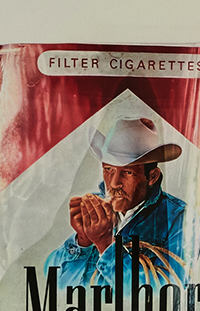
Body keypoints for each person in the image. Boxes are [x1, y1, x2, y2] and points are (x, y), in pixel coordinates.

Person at [47, 114, 190, 289]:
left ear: (152, 176)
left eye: (127, 172)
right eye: (108, 169)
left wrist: (105, 244)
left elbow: (166, 292)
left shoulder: (178, 218)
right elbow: (53, 284)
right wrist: (83, 241)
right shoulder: (93, 207)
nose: (114, 183)